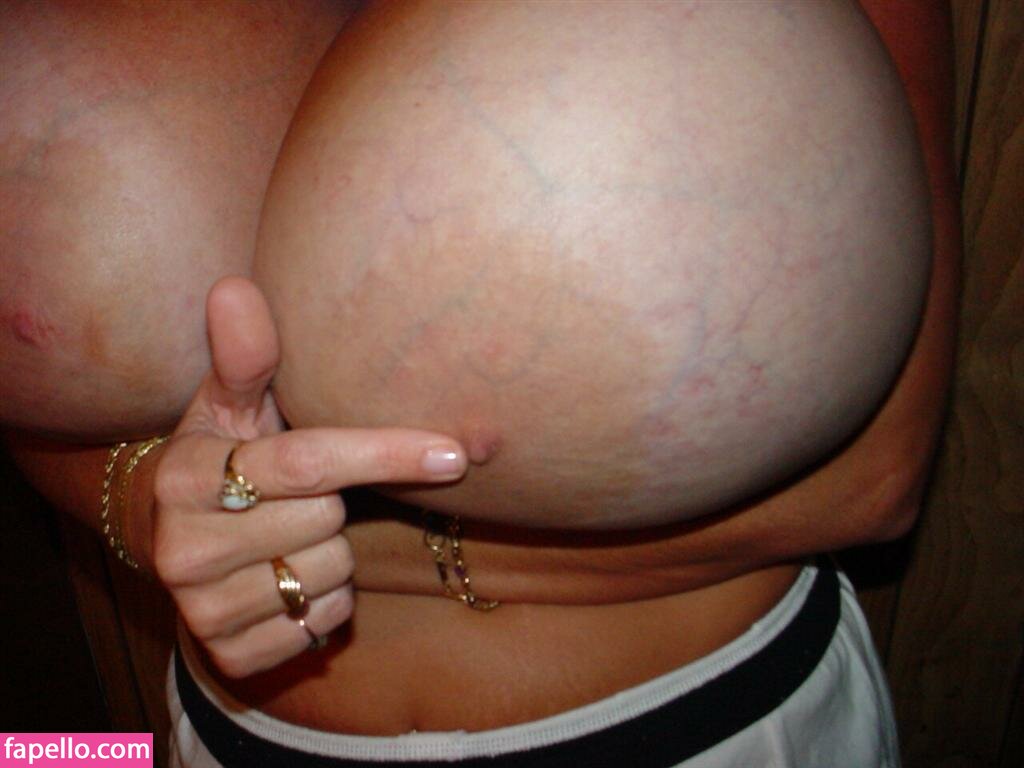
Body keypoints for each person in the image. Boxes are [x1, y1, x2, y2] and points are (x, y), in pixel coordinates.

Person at [1, 1, 960, 766]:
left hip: (705, 724)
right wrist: (158, 509)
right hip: (241, 735)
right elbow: (43, 410)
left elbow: (875, 481)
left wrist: (296, 537)